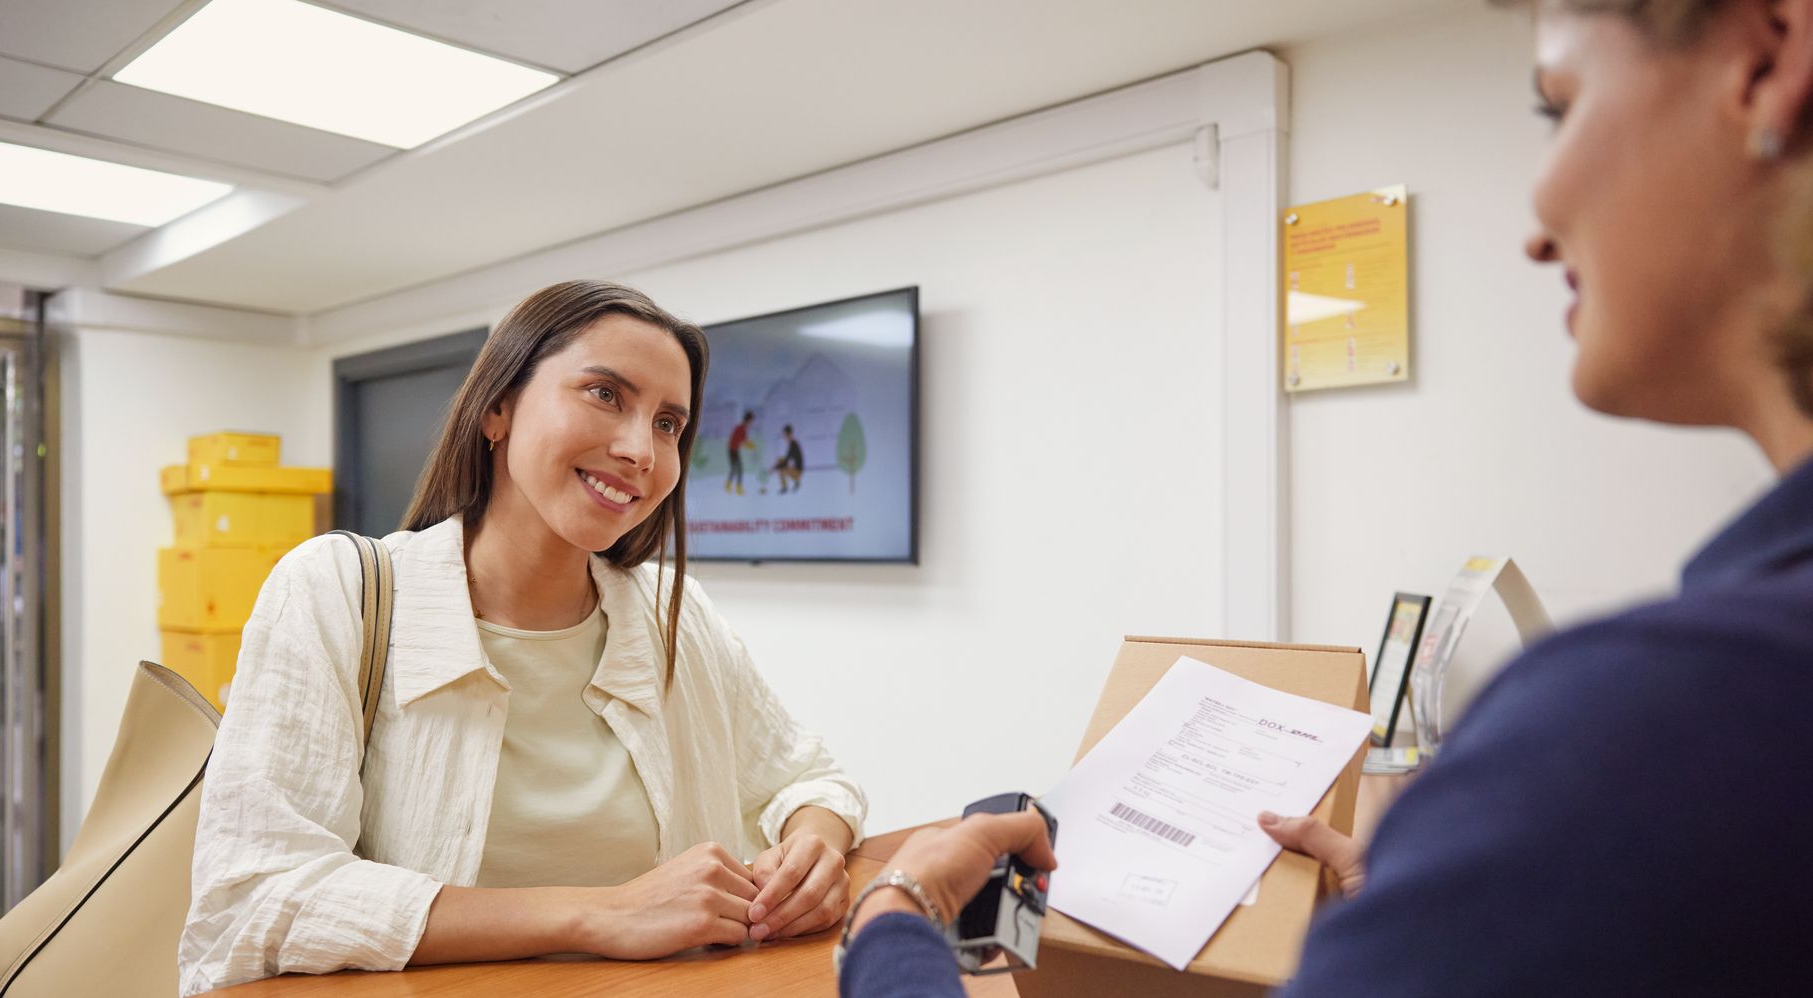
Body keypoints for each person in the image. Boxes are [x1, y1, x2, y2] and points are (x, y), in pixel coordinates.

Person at [838, 0, 1813, 994]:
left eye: (1553, 108)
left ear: (1766, 57)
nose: (1535, 223)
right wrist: (1429, 924)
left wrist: (894, 910)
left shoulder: (1651, 723)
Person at [181, 281, 867, 995]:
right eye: (605, 394)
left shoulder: (675, 612)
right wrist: (596, 915)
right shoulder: (338, 591)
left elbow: (805, 777)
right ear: (496, 408)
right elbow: (256, 896)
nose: (640, 449)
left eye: (668, 424)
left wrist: (812, 849)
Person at [725, 410, 756, 494]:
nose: (751, 423)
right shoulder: (741, 428)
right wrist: (752, 446)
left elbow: (743, 441)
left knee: (735, 469)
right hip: (733, 450)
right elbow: (744, 442)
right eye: (751, 421)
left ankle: (729, 486)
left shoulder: (741, 428)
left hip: (734, 450)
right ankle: (737, 488)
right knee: (738, 469)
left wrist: (751, 445)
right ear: (748, 420)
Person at [775, 424, 805, 493]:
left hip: (798, 472)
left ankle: (788, 485)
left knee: (780, 464)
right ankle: (792, 483)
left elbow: (785, 462)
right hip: (796, 469)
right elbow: (786, 460)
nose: (784, 437)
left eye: (784, 434)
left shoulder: (793, 444)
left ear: (788, 434)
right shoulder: (793, 443)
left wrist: (775, 468)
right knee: (780, 461)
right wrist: (776, 466)